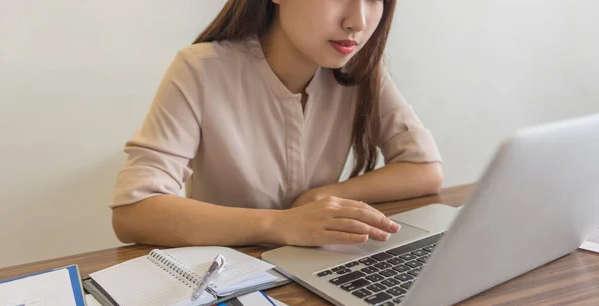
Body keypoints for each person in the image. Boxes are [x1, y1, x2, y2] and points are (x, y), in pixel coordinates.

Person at [110, 0, 443, 249]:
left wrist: (325, 194)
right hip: (226, 277)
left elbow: (425, 168)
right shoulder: (200, 69)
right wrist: (277, 224)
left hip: (314, 268)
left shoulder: (361, 72)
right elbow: (133, 212)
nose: (358, 20)